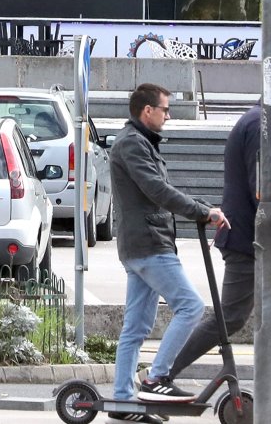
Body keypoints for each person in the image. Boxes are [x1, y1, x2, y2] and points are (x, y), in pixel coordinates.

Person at [164, 68, 271, 423]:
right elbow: (262, 191)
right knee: (229, 317)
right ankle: (162, 373)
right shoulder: (259, 127)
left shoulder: (268, 125)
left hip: (260, 244)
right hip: (250, 244)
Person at [109, 82, 229, 423]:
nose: (168, 115)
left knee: (135, 328)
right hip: (149, 244)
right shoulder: (132, 144)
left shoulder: (139, 142)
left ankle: (122, 402)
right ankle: (157, 377)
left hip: (142, 244)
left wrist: (203, 207)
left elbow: (164, 190)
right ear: (147, 111)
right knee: (190, 306)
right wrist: (200, 212)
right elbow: (157, 190)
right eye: (165, 109)